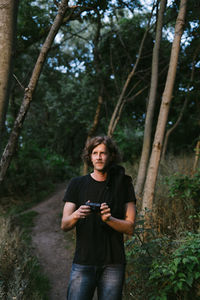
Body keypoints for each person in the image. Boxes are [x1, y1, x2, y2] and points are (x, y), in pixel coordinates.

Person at [61, 135, 136, 300]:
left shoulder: (123, 184)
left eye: (103, 153)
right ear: (89, 156)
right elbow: (64, 224)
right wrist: (77, 214)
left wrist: (110, 219)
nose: (99, 157)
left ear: (111, 156)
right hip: (83, 261)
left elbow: (130, 228)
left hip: (113, 263)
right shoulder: (76, 183)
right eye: (95, 153)